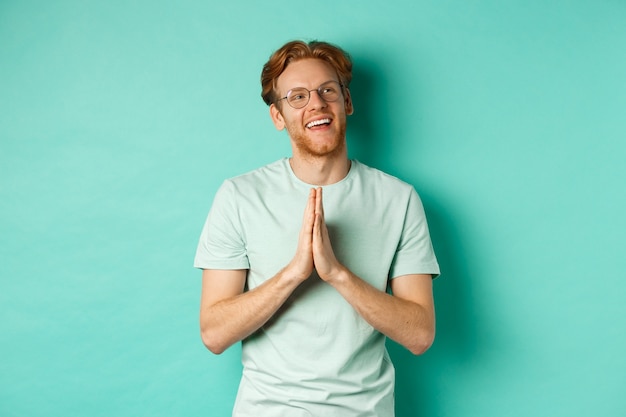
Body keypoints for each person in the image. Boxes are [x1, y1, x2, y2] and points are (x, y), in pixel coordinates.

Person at [194, 40, 440, 416]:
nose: (317, 104)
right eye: (297, 96)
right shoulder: (239, 197)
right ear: (278, 116)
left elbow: (420, 334)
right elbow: (214, 333)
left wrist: (337, 274)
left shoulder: (399, 199)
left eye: (328, 90)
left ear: (348, 102)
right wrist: (294, 273)